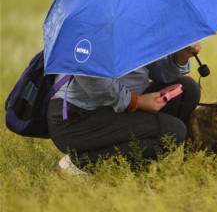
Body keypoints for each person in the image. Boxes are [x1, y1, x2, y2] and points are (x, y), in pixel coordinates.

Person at [47, 44, 202, 174]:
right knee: (172, 130)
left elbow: (157, 70)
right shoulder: (89, 33)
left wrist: (181, 58)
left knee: (187, 90)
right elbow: (95, 84)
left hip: (113, 109)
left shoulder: (134, 26)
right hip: (76, 119)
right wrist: (135, 101)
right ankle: (78, 164)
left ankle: (135, 165)